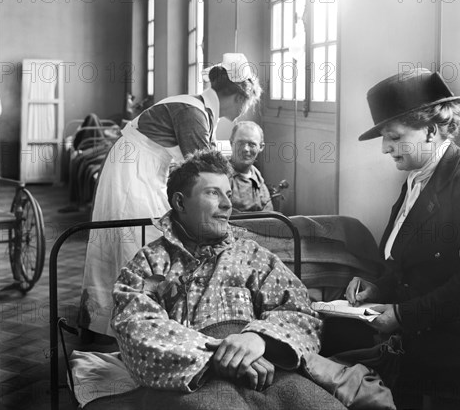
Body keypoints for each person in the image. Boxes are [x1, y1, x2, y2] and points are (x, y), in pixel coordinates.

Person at [104, 150, 347, 409]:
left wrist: (259, 339)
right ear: (180, 202)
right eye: (212, 193)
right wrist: (218, 353)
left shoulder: (253, 255)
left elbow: (301, 312)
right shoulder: (148, 263)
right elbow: (135, 328)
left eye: (229, 195)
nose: (227, 205)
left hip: (264, 372)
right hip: (193, 380)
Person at [344, 68, 460, 403]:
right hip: (420, 334)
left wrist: (402, 316)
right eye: (384, 139)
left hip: (454, 351)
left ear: (431, 131)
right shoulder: (418, 178)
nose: (385, 149)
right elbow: (409, 262)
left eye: (394, 136)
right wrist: (379, 288)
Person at [79, 53, 262, 338]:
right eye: (247, 102)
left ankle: (135, 322)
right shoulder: (192, 112)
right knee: (138, 242)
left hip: (144, 169)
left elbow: (204, 165)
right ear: (240, 97)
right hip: (133, 171)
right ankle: (131, 327)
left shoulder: (199, 109)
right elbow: (205, 171)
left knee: (143, 240)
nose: (245, 108)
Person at [229, 121, 273, 212]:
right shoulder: (221, 175)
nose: (245, 149)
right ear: (231, 143)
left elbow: (269, 214)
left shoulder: (257, 176)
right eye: (240, 143)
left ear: (261, 147)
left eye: (252, 144)